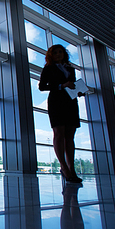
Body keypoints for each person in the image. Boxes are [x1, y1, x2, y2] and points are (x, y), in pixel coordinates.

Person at [39, 44, 83, 183]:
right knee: (59, 133)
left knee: (70, 135)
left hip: (70, 101)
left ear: (64, 54)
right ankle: (64, 167)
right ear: (51, 55)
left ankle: (71, 169)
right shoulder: (48, 68)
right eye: (55, 52)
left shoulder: (70, 68)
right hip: (56, 101)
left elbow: (73, 84)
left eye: (60, 52)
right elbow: (42, 87)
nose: (58, 54)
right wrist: (61, 86)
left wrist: (78, 91)